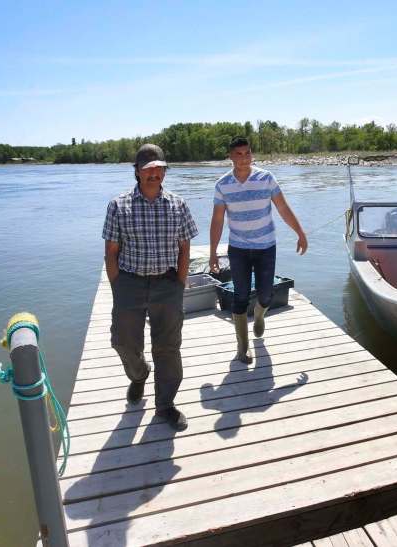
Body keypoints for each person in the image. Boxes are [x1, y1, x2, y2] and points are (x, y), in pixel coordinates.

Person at [103, 143, 198, 431]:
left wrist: (180, 284)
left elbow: (185, 247)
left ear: (164, 171)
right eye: (148, 170)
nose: (154, 174)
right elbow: (111, 251)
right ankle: (139, 375)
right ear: (137, 172)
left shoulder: (178, 204)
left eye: (159, 169)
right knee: (122, 341)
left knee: (168, 347)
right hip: (129, 283)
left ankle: (166, 405)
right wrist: (118, 286)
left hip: (167, 283)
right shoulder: (118, 205)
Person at [208, 136, 308, 363]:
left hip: (266, 247)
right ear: (230, 156)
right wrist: (213, 252)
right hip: (239, 250)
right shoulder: (222, 184)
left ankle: (260, 315)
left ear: (251, 154)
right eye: (238, 154)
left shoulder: (266, 178)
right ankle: (242, 347)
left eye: (247, 153)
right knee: (240, 295)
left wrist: (300, 233)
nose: (244, 158)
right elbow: (217, 220)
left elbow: (282, 207)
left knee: (266, 294)